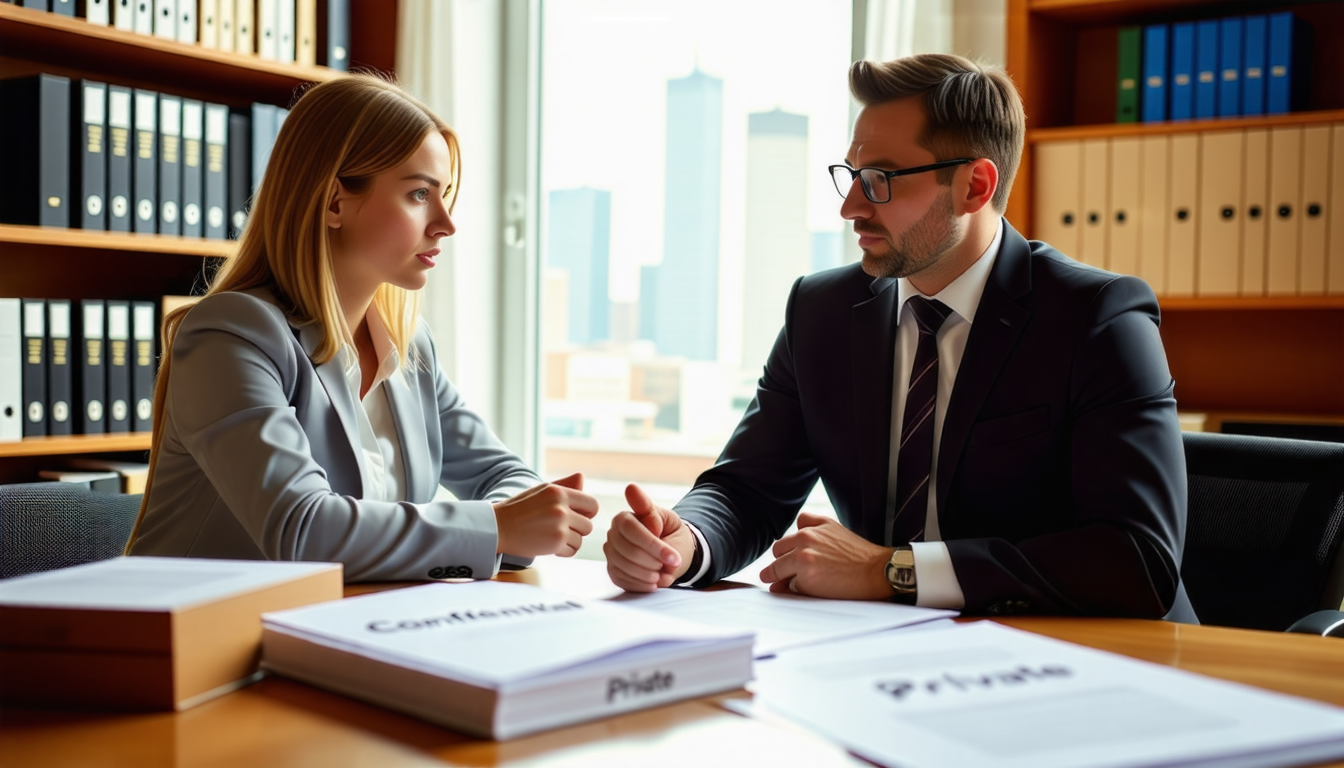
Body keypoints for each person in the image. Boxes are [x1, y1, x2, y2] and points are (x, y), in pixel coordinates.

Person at [604, 54, 1195, 620]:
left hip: (1095, 664)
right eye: (852, 176)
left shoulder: (1096, 317)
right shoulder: (822, 310)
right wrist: (683, 543)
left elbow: (1136, 559)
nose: (851, 207)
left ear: (974, 186)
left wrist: (893, 571)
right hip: (888, 655)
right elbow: (747, 489)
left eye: (881, 179)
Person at [127, 74, 598, 582]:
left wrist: (510, 524)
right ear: (334, 203)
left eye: (445, 195)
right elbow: (303, 530)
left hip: (345, 627)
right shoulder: (231, 335)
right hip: (196, 645)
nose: (445, 222)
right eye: (420, 194)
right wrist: (499, 528)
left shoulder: (409, 348)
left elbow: (506, 477)